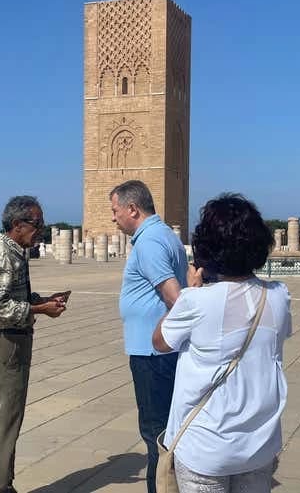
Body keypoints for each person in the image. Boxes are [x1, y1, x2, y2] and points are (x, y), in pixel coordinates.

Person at [152, 193, 291, 492]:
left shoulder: (196, 301)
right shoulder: (279, 296)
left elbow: (160, 342)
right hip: (259, 443)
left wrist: (190, 291)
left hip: (205, 445)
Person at [0, 195, 71, 493]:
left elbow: (13, 298)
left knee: (11, 421)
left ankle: (3, 486)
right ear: (18, 224)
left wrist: (42, 300)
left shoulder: (16, 251)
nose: (40, 229)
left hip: (15, 342)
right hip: (5, 345)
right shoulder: (4, 254)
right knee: (6, 424)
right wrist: (40, 309)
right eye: (37, 224)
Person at [110, 180, 187, 493]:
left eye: (115, 210)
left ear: (132, 209)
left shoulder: (150, 242)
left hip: (152, 353)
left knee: (157, 434)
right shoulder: (163, 234)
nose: (113, 217)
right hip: (159, 351)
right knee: (165, 429)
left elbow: (175, 297)